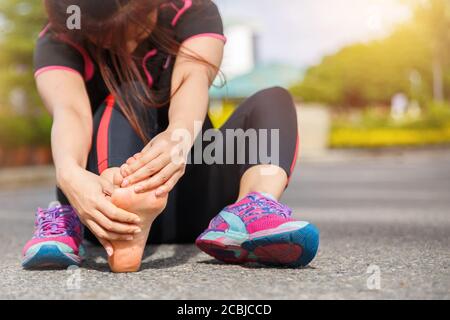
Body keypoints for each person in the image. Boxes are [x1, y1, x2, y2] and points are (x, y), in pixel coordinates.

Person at [22, 0, 319, 272]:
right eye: (107, 35)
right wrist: (70, 175)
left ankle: (250, 210)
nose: (126, 43)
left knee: (274, 99)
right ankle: (115, 208)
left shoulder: (191, 10)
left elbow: (193, 77)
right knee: (128, 92)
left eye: (136, 24)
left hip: (198, 205)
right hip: (102, 212)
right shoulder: (59, 38)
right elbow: (70, 111)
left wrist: (178, 136)